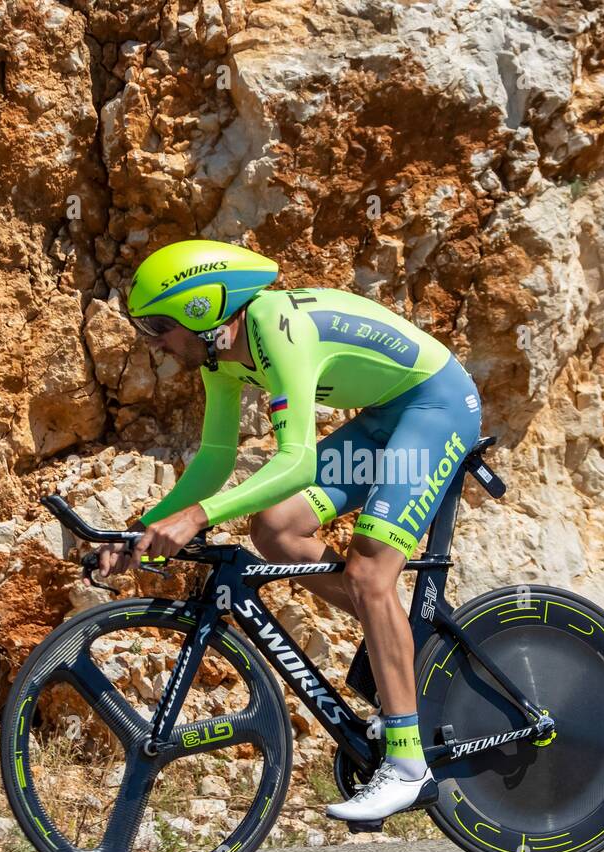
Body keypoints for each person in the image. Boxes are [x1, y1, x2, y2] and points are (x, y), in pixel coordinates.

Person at [97, 238, 482, 821]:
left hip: (435, 407)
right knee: (275, 528)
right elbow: (215, 459)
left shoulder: (275, 327)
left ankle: (408, 765)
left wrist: (198, 517)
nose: (155, 343)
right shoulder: (221, 356)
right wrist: (144, 530)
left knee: (372, 569)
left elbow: (296, 461)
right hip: (385, 417)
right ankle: (402, 640)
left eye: (158, 326)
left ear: (201, 308)